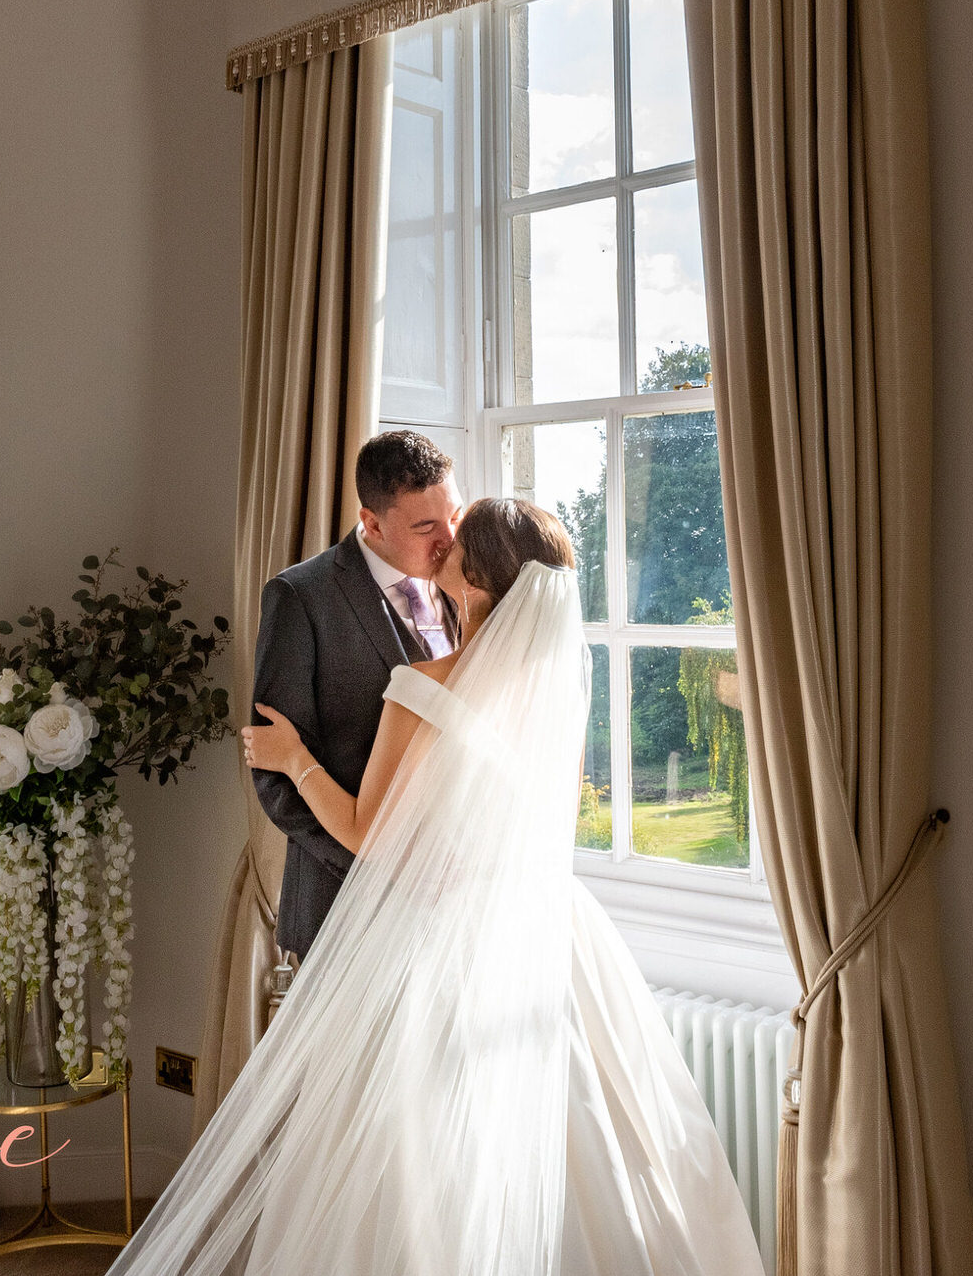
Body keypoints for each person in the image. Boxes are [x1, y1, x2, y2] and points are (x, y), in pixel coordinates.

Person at [105, 498, 768, 1276]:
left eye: (460, 536)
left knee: (420, 1159)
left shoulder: (421, 684)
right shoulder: (550, 695)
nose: (444, 540)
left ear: (477, 576)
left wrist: (292, 758)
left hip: (441, 938)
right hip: (547, 930)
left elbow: (367, 834)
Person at [249, 430, 465, 965]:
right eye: (425, 527)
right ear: (371, 521)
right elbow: (273, 774)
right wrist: (373, 859)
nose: (448, 540)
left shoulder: (466, 581)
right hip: (339, 909)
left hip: (449, 910)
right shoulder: (301, 597)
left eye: (454, 517)